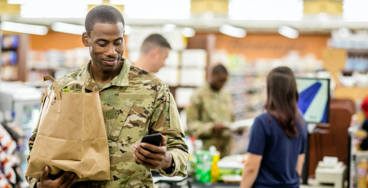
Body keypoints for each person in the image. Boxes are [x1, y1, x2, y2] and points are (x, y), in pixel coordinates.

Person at [26, 5, 188, 188]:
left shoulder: (153, 88)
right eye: (102, 43)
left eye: (118, 42)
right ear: (86, 39)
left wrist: (166, 159)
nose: (112, 51)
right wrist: (39, 185)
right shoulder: (64, 88)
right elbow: (37, 145)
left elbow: (179, 150)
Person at [240, 66, 307, 188]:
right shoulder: (300, 121)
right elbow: (299, 163)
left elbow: (251, 167)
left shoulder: (263, 122)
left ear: (270, 90)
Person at [186, 64, 235, 158]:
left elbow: (231, 118)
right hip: (207, 153)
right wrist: (212, 128)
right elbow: (191, 125)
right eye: (220, 80)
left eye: (224, 81)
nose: (222, 84)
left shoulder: (225, 95)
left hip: (225, 151)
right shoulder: (198, 95)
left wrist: (235, 128)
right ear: (212, 75)